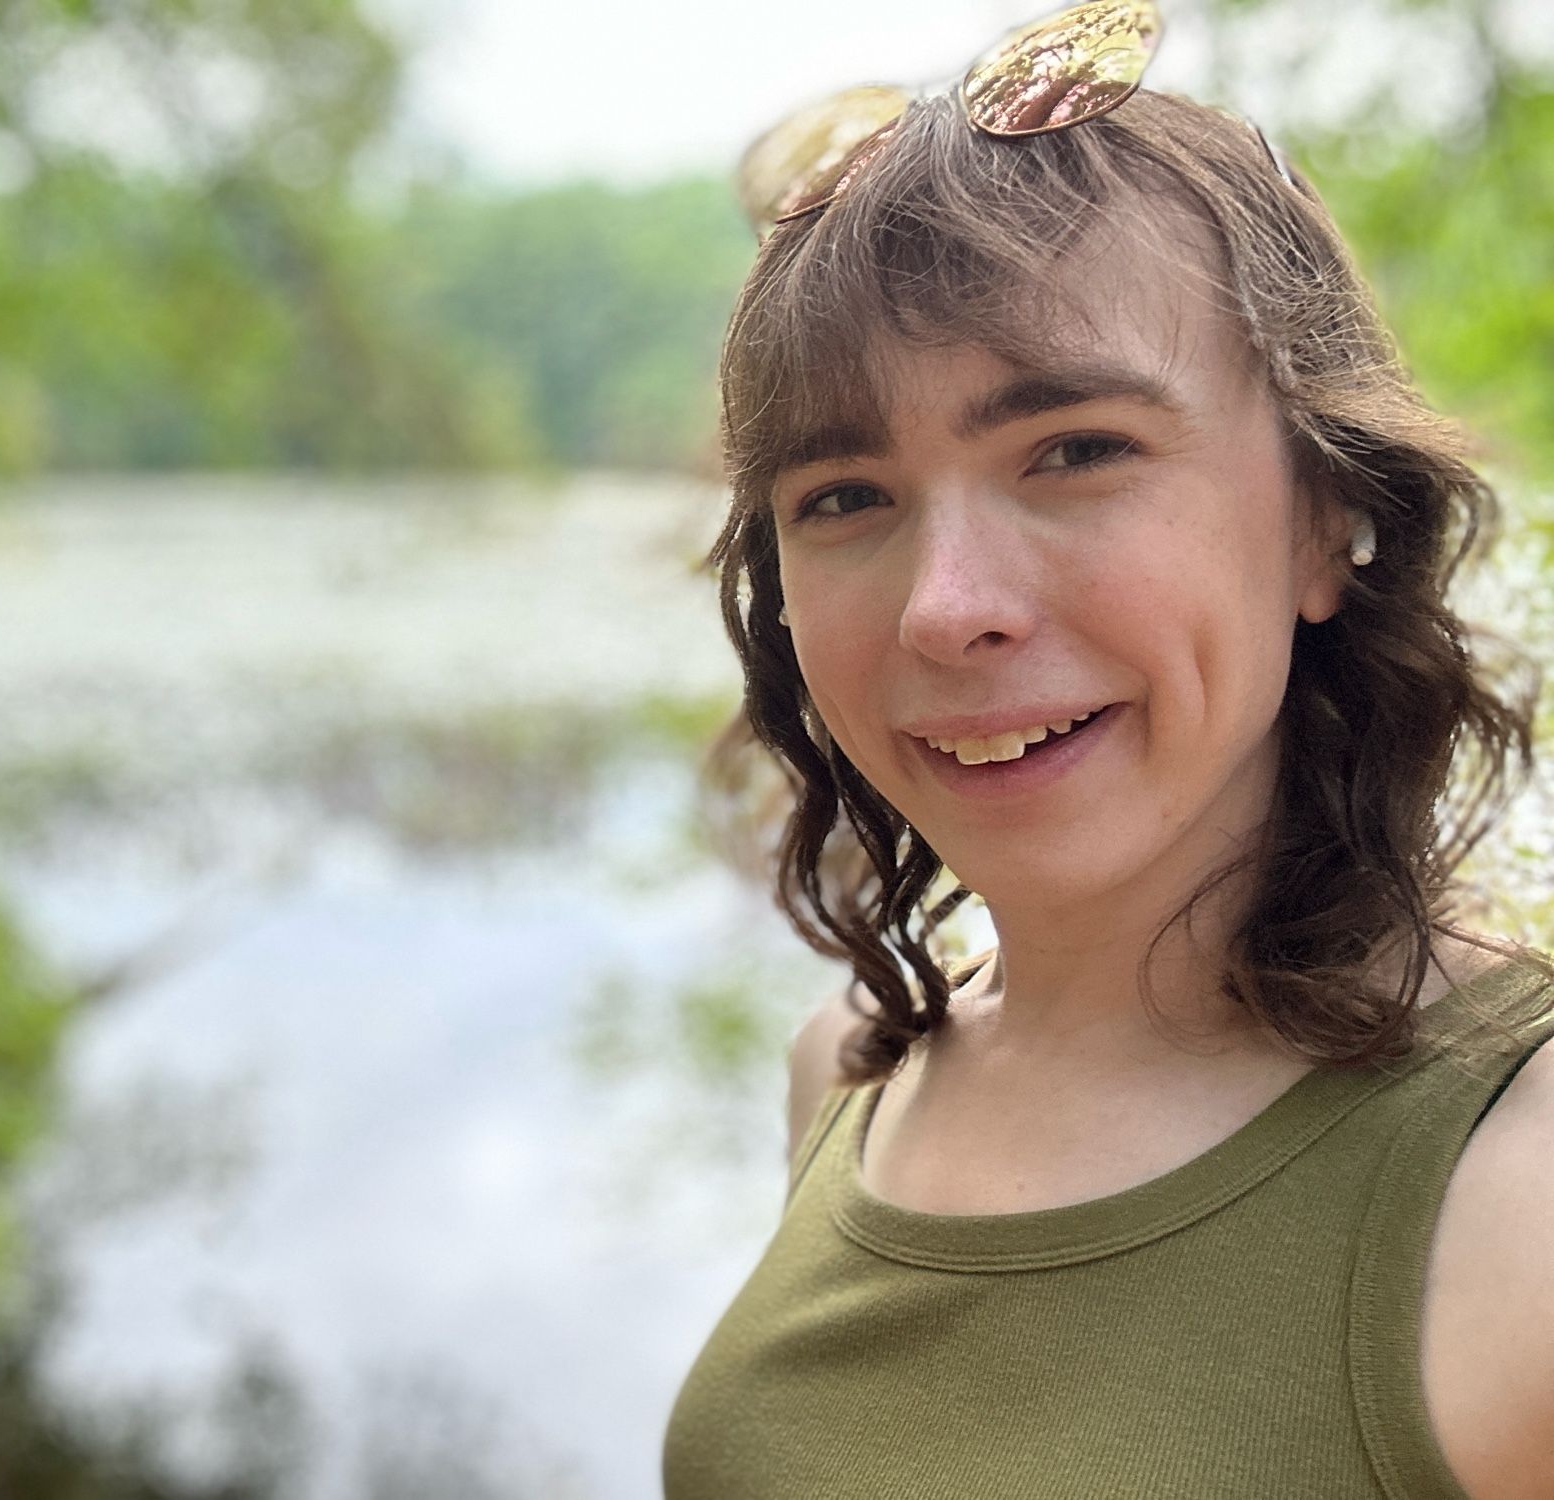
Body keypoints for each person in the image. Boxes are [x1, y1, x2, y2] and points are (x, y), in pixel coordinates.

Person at [660, 3, 1554, 1496]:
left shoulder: (1518, 1183)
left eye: (1074, 452)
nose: (948, 611)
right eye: (843, 496)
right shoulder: (850, 1077)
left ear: (1331, 515)